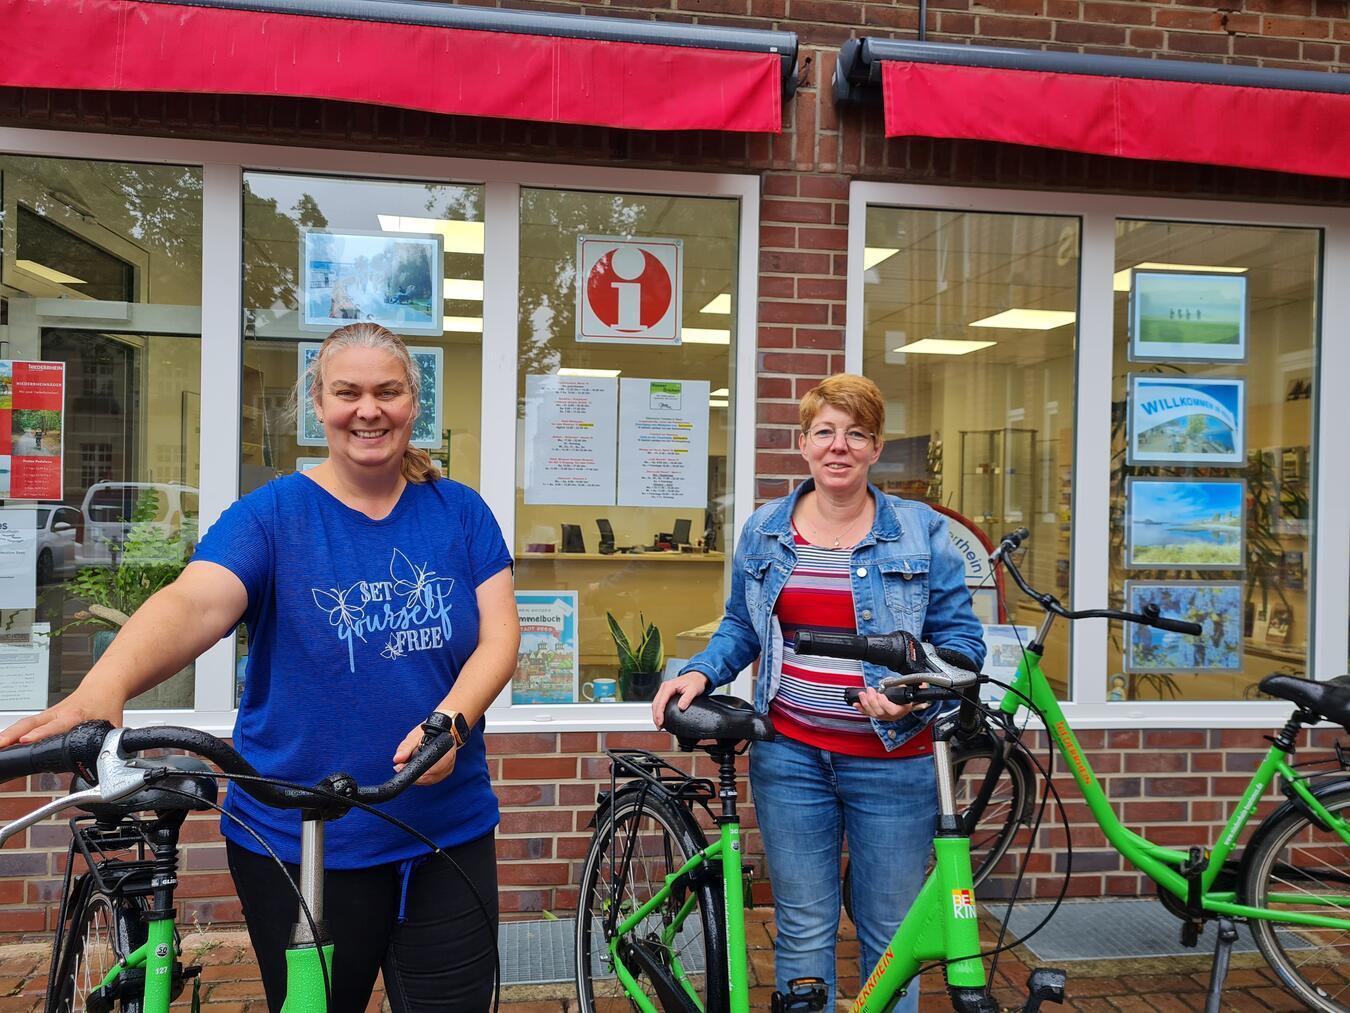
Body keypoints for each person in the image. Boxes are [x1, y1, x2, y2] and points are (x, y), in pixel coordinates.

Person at [0, 322, 519, 1012]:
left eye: (387, 391)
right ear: (318, 402)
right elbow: (194, 601)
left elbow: (499, 635)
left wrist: (450, 722)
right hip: (301, 840)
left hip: (443, 832)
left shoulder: (460, 511)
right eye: (348, 392)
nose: (368, 409)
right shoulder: (274, 515)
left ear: (412, 401)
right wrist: (106, 684)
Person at [652, 373, 986, 1009]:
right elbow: (741, 627)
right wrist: (700, 671)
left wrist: (913, 689)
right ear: (803, 443)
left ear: (875, 447)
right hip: (792, 757)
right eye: (826, 432)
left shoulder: (920, 531)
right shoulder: (766, 528)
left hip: (894, 762)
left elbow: (962, 645)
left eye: (856, 434)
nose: (840, 446)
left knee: (893, 939)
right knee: (804, 930)